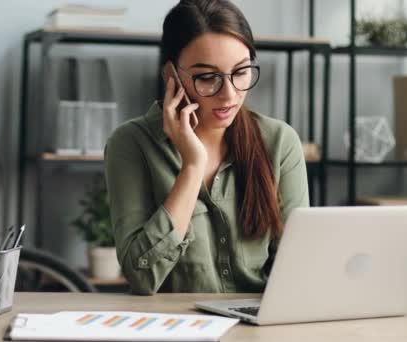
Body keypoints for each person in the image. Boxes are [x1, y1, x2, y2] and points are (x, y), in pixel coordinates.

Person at [105, 0, 309, 295]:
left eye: (241, 72)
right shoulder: (131, 143)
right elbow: (142, 276)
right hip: (174, 328)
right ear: (170, 75)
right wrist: (192, 166)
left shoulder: (279, 142)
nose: (229, 95)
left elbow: (299, 266)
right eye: (207, 77)